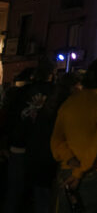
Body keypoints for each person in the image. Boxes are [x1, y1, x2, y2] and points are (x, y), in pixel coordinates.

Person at [51, 58, 97, 212]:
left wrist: (70, 158)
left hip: (67, 167)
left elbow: (56, 140)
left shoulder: (70, 101)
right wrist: (79, 172)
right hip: (93, 171)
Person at [3, 59, 55, 213]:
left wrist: (6, 142)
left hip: (20, 143)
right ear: (52, 74)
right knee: (42, 195)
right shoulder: (56, 92)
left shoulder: (21, 92)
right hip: (43, 147)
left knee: (14, 191)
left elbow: (11, 116)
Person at [27, 72, 82, 213]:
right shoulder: (68, 108)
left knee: (43, 202)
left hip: (41, 162)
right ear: (73, 87)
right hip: (56, 162)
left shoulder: (49, 106)